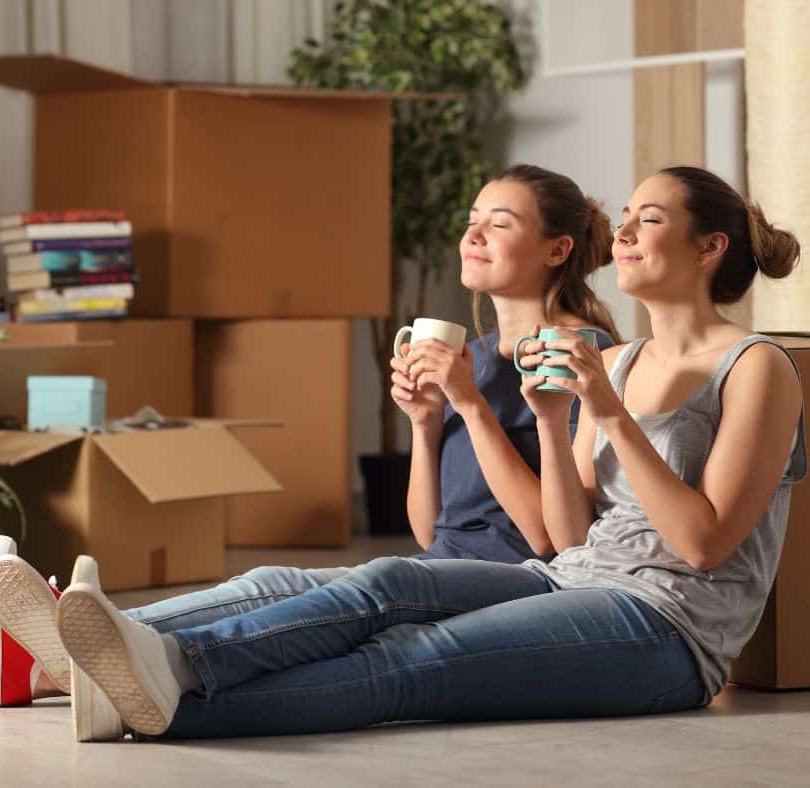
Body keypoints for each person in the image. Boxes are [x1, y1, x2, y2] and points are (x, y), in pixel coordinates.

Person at [51, 165, 805, 741]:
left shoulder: (757, 368)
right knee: (387, 581)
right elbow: (571, 539)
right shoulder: (617, 362)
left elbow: (703, 544)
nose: (627, 232)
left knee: (412, 659)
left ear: (709, 247)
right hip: (565, 580)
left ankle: (164, 697)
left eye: (651, 219)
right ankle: (159, 657)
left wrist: (606, 414)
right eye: (629, 217)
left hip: (669, 630)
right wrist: (552, 421)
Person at [0, 164, 619, 736]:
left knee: (377, 582)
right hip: (445, 566)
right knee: (276, 581)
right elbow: (432, 533)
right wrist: (425, 425)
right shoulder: (471, 358)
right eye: (472, 220)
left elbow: (551, 540)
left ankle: (109, 653)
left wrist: (470, 405)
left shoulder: (581, 356)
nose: (473, 236)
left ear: (557, 249)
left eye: (499, 224)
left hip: (522, 581)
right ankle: (69, 646)